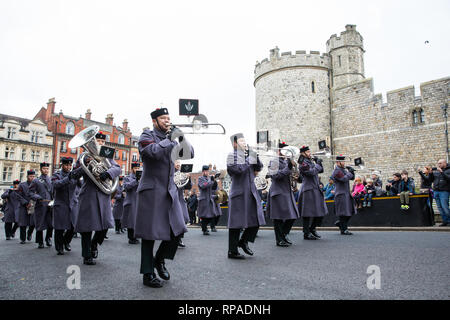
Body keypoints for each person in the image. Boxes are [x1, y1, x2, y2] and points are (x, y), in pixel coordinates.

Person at [135, 107, 193, 288]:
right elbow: (151, 153)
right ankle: (147, 273)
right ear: (155, 121)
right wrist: (169, 139)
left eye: (168, 118)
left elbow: (189, 153)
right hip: (152, 191)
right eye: (163, 118)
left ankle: (159, 260)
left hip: (170, 191)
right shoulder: (146, 135)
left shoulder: (174, 139)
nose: (167, 121)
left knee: (178, 229)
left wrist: (181, 136)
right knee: (149, 235)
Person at [75, 131, 121, 265]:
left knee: (105, 225)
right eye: (98, 141)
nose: (100, 143)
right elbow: (75, 173)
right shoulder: (83, 156)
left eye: (102, 142)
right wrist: (86, 165)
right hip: (89, 193)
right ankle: (86, 255)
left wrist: (107, 174)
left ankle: (94, 244)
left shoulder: (107, 154)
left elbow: (117, 168)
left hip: (103, 193)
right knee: (86, 227)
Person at [226, 133, 265, 259]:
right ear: (235, 144)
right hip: (239, 193)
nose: (245, 143)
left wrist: (256, 157)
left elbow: (259, 168)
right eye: (242, 141)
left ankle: (243, 241)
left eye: (245, 140)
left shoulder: (249, 155)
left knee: (257, 219)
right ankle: (232, 251)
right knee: (236, 223)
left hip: (251, 192)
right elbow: (238, 169)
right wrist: (250, 158)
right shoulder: (232, 156)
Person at [267, 142, 300, 247]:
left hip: (287, 192)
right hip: (278, 192)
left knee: (293, 216)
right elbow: (275, 176)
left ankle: (284, 234)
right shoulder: (274, 161)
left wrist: (296, 177)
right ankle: (279, 239)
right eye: (285, 150)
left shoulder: (286, 162)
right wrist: (288, 168)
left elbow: (294, 175)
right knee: (278, 218)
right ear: (279, 151)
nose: (287, 153)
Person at [52, 157, 82, 255]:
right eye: (66, 165)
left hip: (73, 204)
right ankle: (59, 247)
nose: (68, 167)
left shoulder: (74, 174)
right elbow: (56, 184)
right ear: (62, 165)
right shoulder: (56, 175)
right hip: (61, 204)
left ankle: (66, 242)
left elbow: (80, 185)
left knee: (73, 226)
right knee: (59, 228)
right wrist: (68, 178)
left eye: (70, 165)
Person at [297, 146, 328, 240]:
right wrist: (317, 165)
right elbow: (311, 172)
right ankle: (306, 233)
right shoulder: (302, 162)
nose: (310, 153)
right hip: (308, 189)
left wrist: (319, 162)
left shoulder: (310, 161)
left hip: (315, 188)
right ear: (303, 153)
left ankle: (312, 229)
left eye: (309, 151)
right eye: (308, 151)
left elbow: (320, 170)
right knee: (307, 212)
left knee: (320, 211)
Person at [29, 162, 54, 249]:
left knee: (51, 224)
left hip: (50, 205)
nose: (46, 170)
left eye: (47, 169)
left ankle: (48, 238)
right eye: (44, 168)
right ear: (40, 169)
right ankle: (40, 241)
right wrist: (38, 197)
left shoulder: (51, 179)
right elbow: (30, 192)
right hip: (40, 204)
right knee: (40, 224)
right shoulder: (36, 180)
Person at [419, 159, 450, 226]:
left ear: (445, 163)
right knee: (440, 208)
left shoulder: (448, 170)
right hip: (436, 191)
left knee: (445, 206)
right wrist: (430, 173)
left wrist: (442, 172)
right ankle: (445, 221)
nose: (439, 165)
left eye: (440, 163)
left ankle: (449, 220)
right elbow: (430, 180)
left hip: (444, 191)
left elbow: (448, 179)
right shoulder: (436, 171)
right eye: (438, 163)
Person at [331, 156, 356, 235]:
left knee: (350, 211)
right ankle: (344, 229)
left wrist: (352, 172)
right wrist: (349, 173)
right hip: (341, 194)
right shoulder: (336, 171)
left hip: (346, 193)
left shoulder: (343, 170)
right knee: (343, 212)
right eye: (343, 162)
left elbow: (351, 178)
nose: (344, 163)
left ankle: (340, 223)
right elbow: (344, 179)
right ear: (338, 162)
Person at [174, 160, 193, 248]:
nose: (178, 165)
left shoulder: (182, 173)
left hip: (180, 199)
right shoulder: (170, 172)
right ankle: (176, 239)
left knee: (184, 219)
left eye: (179, 163)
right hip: (173, 199)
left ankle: (179, 238)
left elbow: (188, 187)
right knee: (176, 220)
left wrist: (188, 178)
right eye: (176, 163)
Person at [16, 170, 36, 244]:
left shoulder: (36, 184)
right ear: (27, 176)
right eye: (31, 176)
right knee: (23, 223)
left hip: (33, 205)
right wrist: (25, 203)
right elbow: (18, 195)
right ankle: (23, 238)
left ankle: (29, 233)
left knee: (33, 222)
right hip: (24, 206)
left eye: (33, 176)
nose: (32, 178)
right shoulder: (22, 185)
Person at [122, 163, 141, 244]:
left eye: (138, 168)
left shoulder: (142, 178)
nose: (137, 169)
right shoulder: (127, 177)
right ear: (132, 169)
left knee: (137, 220)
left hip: (138, 201)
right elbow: (126, 187)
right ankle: (131, 238)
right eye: (135, 168)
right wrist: (136, 181)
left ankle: (135, 236)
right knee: (131, 220)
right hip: (131, 200)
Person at [197, 165, 218, 235]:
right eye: (206, 171)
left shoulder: (209, 179)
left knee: (212, 215)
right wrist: (211, 181)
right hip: (203, 199)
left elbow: (212, 187)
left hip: (209, 199)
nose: (207, 172)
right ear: (203, 171)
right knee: (204, 216)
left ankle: (204, 227)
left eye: (208, 171)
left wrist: (214, 180)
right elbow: (203, 186)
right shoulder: (200, 178)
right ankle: (204, 229)